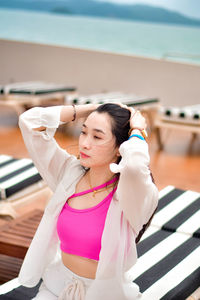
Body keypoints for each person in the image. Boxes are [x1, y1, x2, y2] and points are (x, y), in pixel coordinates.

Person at [18, 103, 158, 300]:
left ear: (121, 148)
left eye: (97, 136)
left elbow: (135, 165)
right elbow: (29, 122)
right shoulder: (69, 173)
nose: (84, 143)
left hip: (106, 295)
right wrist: (93, 108)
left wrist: (137, 131)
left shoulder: (132, 194)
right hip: (57, 288)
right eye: (83, 132)